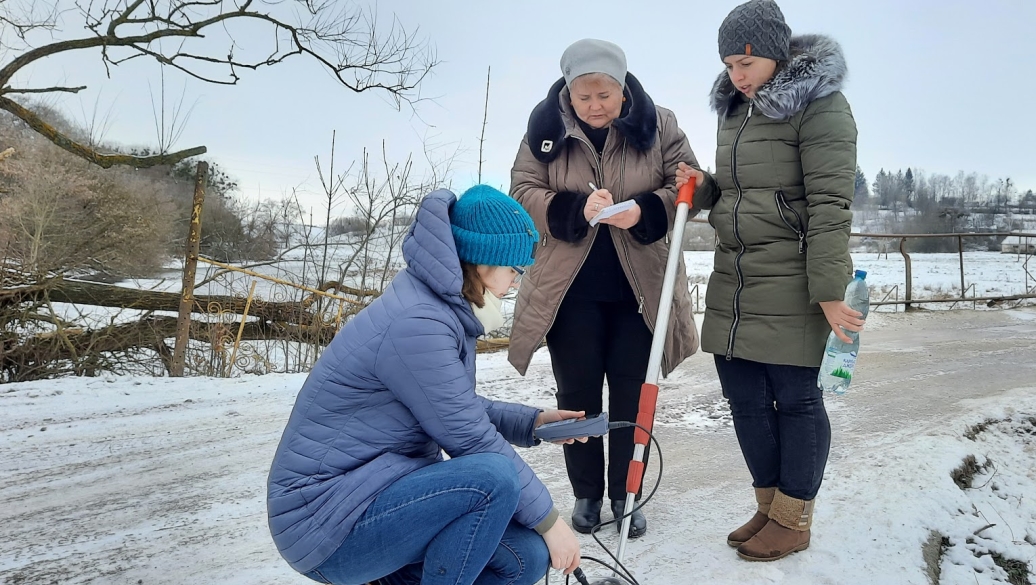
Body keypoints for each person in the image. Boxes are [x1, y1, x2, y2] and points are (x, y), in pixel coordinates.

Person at [267, 185, 586, 585]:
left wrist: (532, 422)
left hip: (374, 491)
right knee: (493, 477)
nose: (514, 282)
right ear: (482, 261)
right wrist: (550, 521)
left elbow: (450, 405)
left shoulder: (435, 308)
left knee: (524, 558)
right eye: (513, 270)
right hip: (326, 520)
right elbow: (469, 436)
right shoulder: (418, 323)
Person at [675, 0, 864, 563]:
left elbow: (830, 203)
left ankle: (794, 517)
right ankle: (769, 505)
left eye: (746, 62)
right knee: (745, 401)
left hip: (795, 277)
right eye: (730, 64)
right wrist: (705, 187)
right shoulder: (736, 109)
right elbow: (742, 190)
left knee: (797, 400)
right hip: (736, 276)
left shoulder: (822, 106)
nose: (736, 75)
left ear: (776, 52)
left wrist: (830, 292)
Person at [508, 39, 700, 538]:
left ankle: (626, 494)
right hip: (570, 295)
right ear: (568, 93)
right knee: (577, 396)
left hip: (641, 290)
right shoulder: (543, 131)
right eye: (584, 97)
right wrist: (574, 210)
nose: (595, 107)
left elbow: (690, 185)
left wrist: (646, 209)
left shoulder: (660, 125)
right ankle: (588, 495)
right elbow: (522, 191)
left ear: (623, 89)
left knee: (634, 397)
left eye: (605, 96)